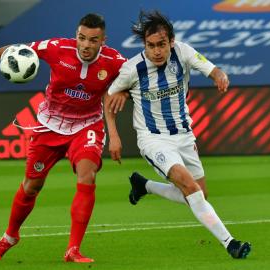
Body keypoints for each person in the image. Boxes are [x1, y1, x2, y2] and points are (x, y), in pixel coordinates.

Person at [0, 13, 126, 263]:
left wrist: (122, 92)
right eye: (82, 38)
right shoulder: (58, 48)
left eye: (93, 40)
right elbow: (20, 50)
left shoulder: (115, 61)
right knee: (31, 186)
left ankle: (73, 249)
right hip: (49, 126)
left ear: (103, 40)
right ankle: (10, 237)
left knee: (87, 174)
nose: (86, 45)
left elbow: (135, 76)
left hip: (86, 126)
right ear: (76, 36)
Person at [105, 10, 251, 259]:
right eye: (151, 46)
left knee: (199, 194)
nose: (157, 51)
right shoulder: (132, 69)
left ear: (171, 42)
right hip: (154, 139)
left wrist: (219, 75)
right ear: (145, 46)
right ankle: (230, 243)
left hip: (184, 135)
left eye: (161, 44)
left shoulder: (182, 52)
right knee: (190, 188)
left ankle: (144, 186)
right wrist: (114, 136)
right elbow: (108, 97)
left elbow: (211, 68)